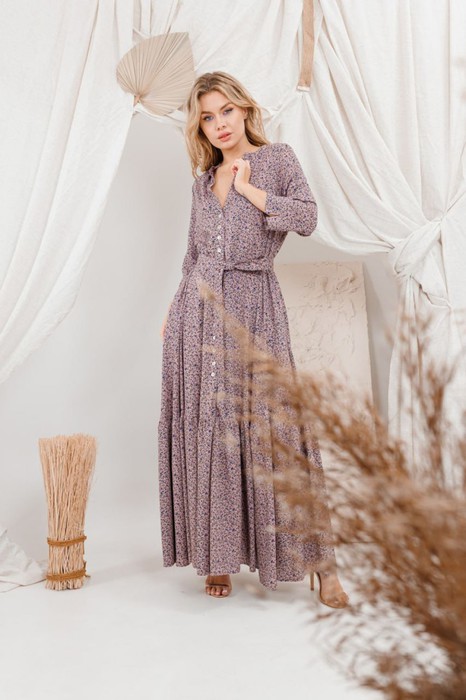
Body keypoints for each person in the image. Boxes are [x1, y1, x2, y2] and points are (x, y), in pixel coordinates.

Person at [158, 71, 348, 607]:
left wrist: (248, 189)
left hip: (255, 308)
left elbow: (307, 218)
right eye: (207, 117)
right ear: (200, 127)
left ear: (244, 109)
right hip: (198, 315)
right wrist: (173, 310)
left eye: (226, 111)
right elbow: (194, 255)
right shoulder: (201, 183)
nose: (219, 124)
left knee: (278, 431)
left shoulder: (277, 159)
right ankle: (218, 556)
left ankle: (324, 567)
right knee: (212, 429)